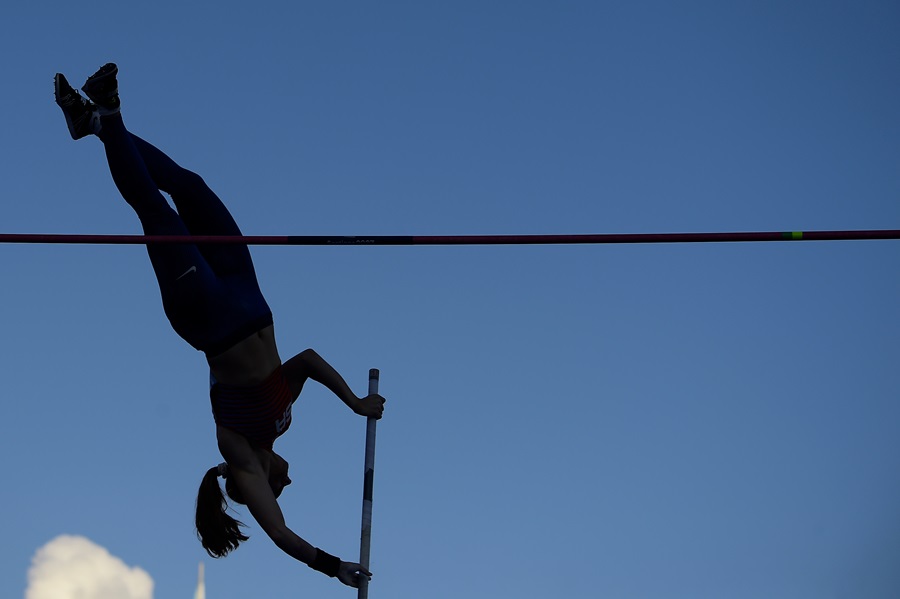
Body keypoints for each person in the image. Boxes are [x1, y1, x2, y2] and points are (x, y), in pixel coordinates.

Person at [53, 63, 385, 588]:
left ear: (260, 489)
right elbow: (308, 361)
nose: (289, 478)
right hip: (246, 291)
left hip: (207, 315)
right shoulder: (281, 420)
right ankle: (94, 125)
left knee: (157, 211)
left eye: (284, 487)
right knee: (190, 185)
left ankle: (108, 116)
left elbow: (280, 536)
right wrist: (355, 405)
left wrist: (332, 566)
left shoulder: (240, 459)